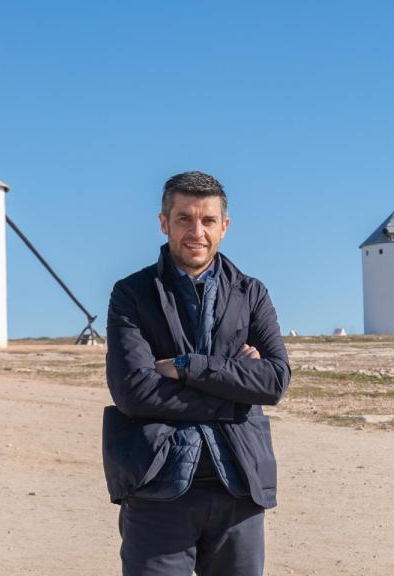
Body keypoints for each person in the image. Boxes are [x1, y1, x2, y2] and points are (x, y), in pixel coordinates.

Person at [102, 171, 291, 576]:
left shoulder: (251, 293)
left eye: (207, 220)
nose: (196, 232)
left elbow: (274, 381)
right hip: (158, 485)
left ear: (224, 226)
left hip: (239, 485)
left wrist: (188, 366)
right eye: (184, 219)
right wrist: (235, 392)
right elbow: (134, 392)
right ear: (164, 222)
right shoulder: (132, 293)